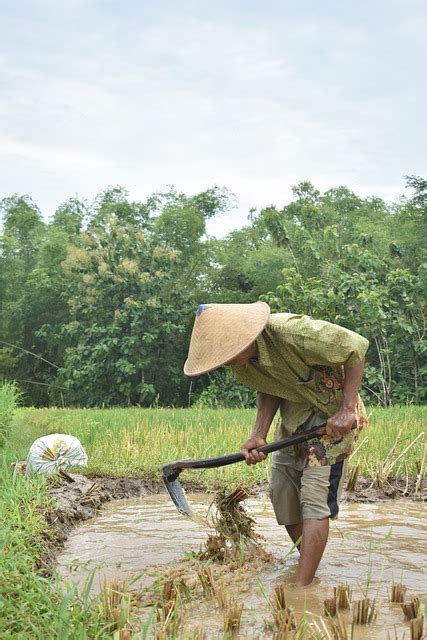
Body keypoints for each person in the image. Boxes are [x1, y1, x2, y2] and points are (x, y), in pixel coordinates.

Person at [184, 301, 369, 586]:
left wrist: (346, 409)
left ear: (245, 338)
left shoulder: (293, 332)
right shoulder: (242, 365)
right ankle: (308, 565)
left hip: (333, 422)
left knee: (314, 502)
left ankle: (302, 587)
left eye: (227, 353)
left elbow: (356, 347)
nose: (226, 361)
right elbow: (270, 387)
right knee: (283, 495)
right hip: (293, 423)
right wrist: (259, 433)